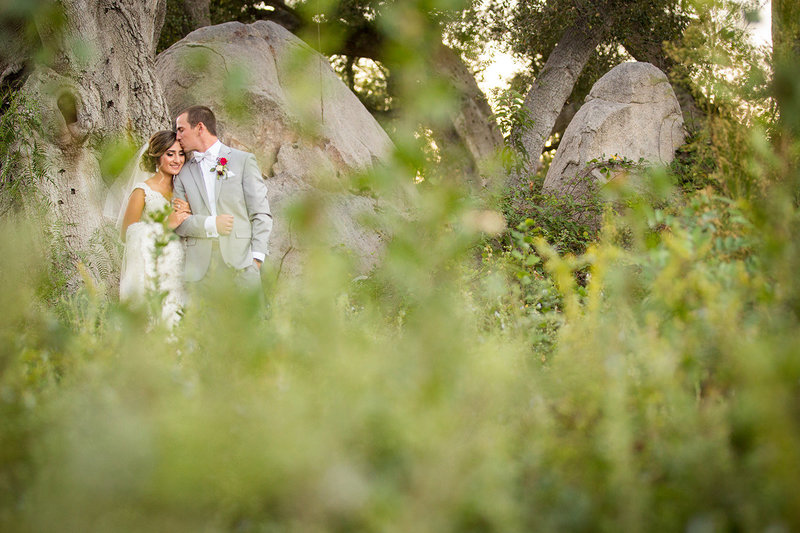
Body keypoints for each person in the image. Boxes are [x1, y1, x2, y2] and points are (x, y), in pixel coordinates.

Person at [173, 105, 272, 294]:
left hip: (242, 267)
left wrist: (256, 260)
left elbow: (261, 213)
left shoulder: (243, 161)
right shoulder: (182, 173)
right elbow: (179, 223)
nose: (177, 136)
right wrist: (211, 224)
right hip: (200, 274)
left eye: (181, 129)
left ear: (200, 127)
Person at [119, 130, 191, 327]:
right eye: (170, 154)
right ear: (157, 156)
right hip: (153, 271)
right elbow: (127, 233)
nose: (177, 159)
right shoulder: (143, 191)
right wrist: (165, 225)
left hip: (183, 270)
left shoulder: (186, 191)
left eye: (181, 153)